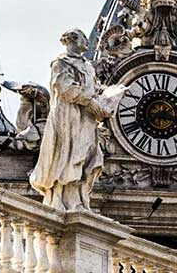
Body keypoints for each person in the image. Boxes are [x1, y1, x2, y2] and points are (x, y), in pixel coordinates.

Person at [30, 29, 123, 211]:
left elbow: (93, 88)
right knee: (69, 154)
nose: (87, 41)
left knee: (87, 154)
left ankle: (79, 198)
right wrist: (90, 102)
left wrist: (109, 95)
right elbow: (64, 88)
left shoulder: (87, 66)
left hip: (87, 118)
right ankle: (64, 198)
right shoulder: (60, 63)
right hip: (69, 116)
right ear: (71, 40)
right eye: (83, 38)